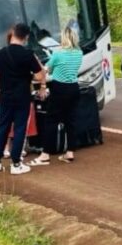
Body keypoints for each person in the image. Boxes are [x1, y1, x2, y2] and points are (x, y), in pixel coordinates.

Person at [0, 23, 47, 175]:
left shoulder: (0, 53)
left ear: (13, 33)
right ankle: (16, 164)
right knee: (20, 128)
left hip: (5, 96)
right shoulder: (27, 54)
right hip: (22, 96)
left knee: (2, 127)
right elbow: (39, 75)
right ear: (26, 37)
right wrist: (31, 77)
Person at [27, 24, 83, 166]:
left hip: (60, 88)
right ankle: (70, 151)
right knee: (71, 120)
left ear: (64, 38)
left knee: (51, 120)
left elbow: (46, 69)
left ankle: (45, 154)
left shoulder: (58, 53)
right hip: (74, 87)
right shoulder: (79, 53)